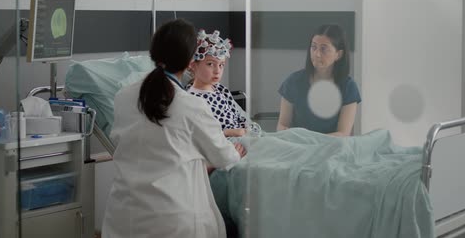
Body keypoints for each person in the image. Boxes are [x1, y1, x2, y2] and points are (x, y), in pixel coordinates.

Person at [102, 19, 246, 238]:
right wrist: (235, 152)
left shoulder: (123, 97)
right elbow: (223, 157)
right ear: (191, 62)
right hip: (173, 220)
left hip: (123, 216)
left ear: (153, 53)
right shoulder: (191, 105)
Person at [276, 24, 361, 136]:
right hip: (298, 146)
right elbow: (282, 125)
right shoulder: (293, 82)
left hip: (331, 148)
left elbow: (343, 133)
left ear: (338, 54)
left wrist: (312, 142)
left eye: (323, 49)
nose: (316, 54)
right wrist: (287, 133)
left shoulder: (348, 87)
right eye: (313, 47)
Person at [187, 30, 247, 138]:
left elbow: (239, 116)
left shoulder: (221, 90)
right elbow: (198, 136)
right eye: (210, 64)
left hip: (244, 135)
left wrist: (247, 129)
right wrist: (227, 133)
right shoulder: (191, 99)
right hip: (224, 143)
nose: (217, 71)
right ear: (192, 65)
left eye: (221, 65)